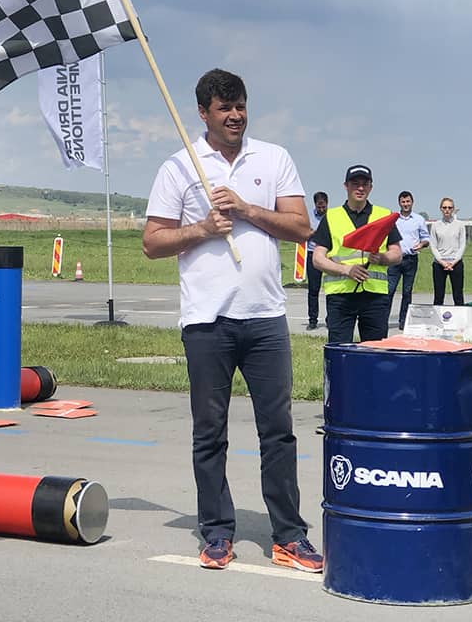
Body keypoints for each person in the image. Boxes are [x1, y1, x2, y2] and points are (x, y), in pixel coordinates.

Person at [142, 68, 322, 573]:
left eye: (240, 105)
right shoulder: (179, 166)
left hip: (265, 318)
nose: (236, 115)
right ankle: (217, 531)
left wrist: (246, 209)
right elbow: (153, 242)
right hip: (207, 321)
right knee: (210, 431)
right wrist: (201, 229)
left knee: (278, 431)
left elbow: (301, 227)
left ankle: (289, 535)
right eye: (224, 108)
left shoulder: (273, 158)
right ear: (204, 113)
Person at [310, 165, 402, 344]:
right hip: (341, 295)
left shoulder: (384, 216)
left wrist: (382, 258)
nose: (360, 188)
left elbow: (397, 253)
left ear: (371, 187)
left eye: (365, 184)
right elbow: (318, 258)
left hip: (375, 295)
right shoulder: (332, 217)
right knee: (339, 351)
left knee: (376, 352)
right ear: (346, 186)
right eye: (355, 183)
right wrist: (346, 270)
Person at [387, 190, 430, 330]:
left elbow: (426, 238)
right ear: (399, 203)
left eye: (408, 201)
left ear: (412, 202)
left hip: (410, 259)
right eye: (403, 202)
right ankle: (383, 319)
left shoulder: (419, 219)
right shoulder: (393, 219)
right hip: (394, 259)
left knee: (407, 291)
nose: (406, 204)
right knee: (389, 291)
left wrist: (422, 244)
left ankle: (403, 321)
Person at [430, 197, 467, 305]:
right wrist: (442, 262)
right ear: (441, 209)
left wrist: (454, 262)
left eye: (449, 208)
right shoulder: (435, 225)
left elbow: (462, 245)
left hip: (455, 263)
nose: (447, 210)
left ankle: (460, 315)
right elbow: (433, 245)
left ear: (453, 209)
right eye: (444, 207)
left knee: (458, 295)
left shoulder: (460, 225)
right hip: (439, 264)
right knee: (438, 295)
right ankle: (437, 316)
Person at [306, 191, 329, 330]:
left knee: (330, 289)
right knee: (313, 289)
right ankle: (312, 320)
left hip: (328, 256)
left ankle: (330, 320)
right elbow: (303, 233)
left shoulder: (332, 217)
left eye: (323, 207)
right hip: (312, 255)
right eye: (319, 207)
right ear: (315, 204)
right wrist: (314, 233)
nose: (321, 209)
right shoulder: (308, 217)